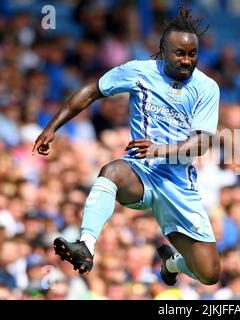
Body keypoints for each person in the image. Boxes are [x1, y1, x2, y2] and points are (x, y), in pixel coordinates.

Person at [31, 5, 221, 287]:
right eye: (179, 53)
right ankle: (86, 244)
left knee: (209, 274)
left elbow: (202, 142)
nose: (187, 60)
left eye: (192, 54)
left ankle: (171, 262)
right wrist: (51, 127)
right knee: (112, 171)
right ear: (163, 51)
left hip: (179, 185)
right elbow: (92, 91)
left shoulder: (206, 88)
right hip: (141, 172)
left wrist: (158, 149)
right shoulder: (138, 71)